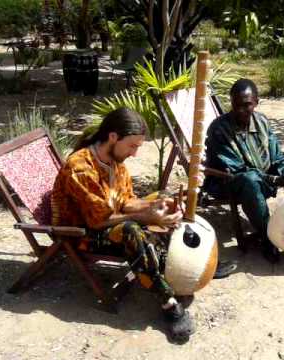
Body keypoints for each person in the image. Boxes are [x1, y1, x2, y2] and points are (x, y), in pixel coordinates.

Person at [51, 107, 194, 341]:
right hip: (79, 234)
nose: (135, 153)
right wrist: (147, 216)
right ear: (113, 137)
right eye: (133, 146)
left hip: (106, 221)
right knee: (131, 230)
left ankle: (183, 266)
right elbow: (98, 221)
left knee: (159, 201)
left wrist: (156, 205)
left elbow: (126, 201)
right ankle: (168, 303)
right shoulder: (80, 168)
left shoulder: (115, 162)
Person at [204, 79, 284, 262]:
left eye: (247, 105)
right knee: (250, 179)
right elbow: (238, 171)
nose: (241, 110)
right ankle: (268, 237)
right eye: (236, 105)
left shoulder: (261, 121)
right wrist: (277, 180)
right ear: (232, 102)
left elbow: (276, 157)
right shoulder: (219, 130)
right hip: (230, 182)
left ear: (256, 102)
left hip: (266, 174)